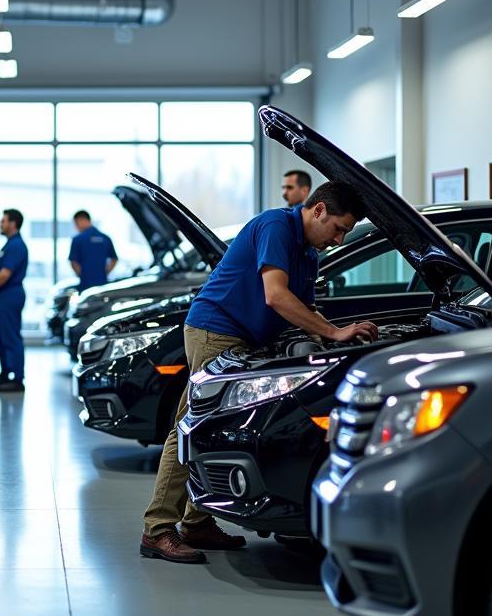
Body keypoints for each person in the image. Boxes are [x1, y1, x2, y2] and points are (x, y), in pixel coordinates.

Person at [140, 181, 379, 564]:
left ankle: (196, 522)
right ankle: (158, 529)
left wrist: (337, 336)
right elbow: (275, 295)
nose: (337, 239)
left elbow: (304, 308)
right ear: (318, 210)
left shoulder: (309, 253)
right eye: (338, 228)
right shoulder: (276, 227)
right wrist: (333, 332)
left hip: (244, 338)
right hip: (215, 331)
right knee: (191, 426)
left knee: (211, 429)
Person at [0, 208, 28, 393]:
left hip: (11, 294)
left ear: (13, 223)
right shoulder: (9, 244)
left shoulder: (16, 245)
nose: (0, 224)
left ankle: (18, 379)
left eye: (3, 221)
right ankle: (5, 374)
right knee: (1, 337)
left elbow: (5, 274)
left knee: (11, 337)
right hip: (4, 296)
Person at [68, 210, 118, 292]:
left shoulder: (78, 239)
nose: (76, 227)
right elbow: (114, 259)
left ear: (81, 220)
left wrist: (83, 275)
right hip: (102, 283)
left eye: (76, 224)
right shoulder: (105, 238)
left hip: (86, 284)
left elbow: (74, 262)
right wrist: (104, 273)